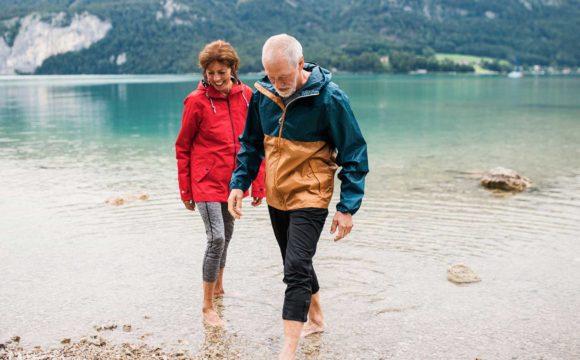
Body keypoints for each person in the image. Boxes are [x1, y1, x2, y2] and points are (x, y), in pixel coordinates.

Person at [227, 34, 368, 359]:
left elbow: (355, 152)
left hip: (311, 195)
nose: (277, 84)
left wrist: (347, 208)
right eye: (272, 77)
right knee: (297, 263)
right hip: (278, 196)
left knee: (295, 268)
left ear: (301, 64)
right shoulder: (263, 96)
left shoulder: (330, 99)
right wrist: (239, 184)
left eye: (284, 77)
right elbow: (250, 144)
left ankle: (288, 351)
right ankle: (315, 318)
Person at [175, 40, 265, 327]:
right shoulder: (196, 101)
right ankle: (206, 306)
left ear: (232, 69)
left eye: (221, 73)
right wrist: (185, 190)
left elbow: (256, 142)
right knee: (216, 238)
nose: (215, 79)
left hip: (234, 181)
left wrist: (258, 182)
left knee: (227, 234)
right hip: (203, 182)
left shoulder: (248, 96)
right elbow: (183, 147)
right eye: (210, 73)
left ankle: (220, 288)